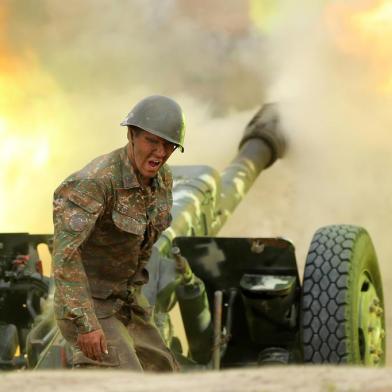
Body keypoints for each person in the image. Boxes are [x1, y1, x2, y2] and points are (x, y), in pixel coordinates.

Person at [52, 95, 185, 370]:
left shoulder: (163, 179)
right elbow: (65, 257)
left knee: (165, 371)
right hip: (88, 305)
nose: (160, 153)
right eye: (152, 141)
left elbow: (145, 240)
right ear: (131, 135)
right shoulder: (95, 182)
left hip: (124, 301)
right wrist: (86, 324)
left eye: (168, 145)